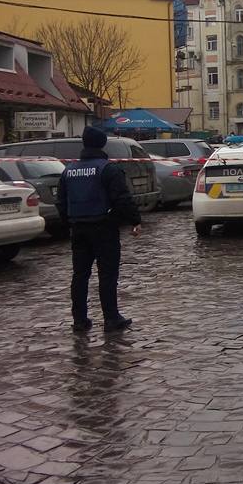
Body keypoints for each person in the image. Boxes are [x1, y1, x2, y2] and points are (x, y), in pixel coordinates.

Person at [56, 126, 142, 334]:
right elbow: (122, 198)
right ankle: (111, 318)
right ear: (103, 144)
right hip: (103, 228)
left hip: (78, 228)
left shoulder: (69, 170)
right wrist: (134, 220)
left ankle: (79, 320)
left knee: (79, 275)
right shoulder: (108, 169)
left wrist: (70, 221)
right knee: (107, 275)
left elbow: (60, 201)